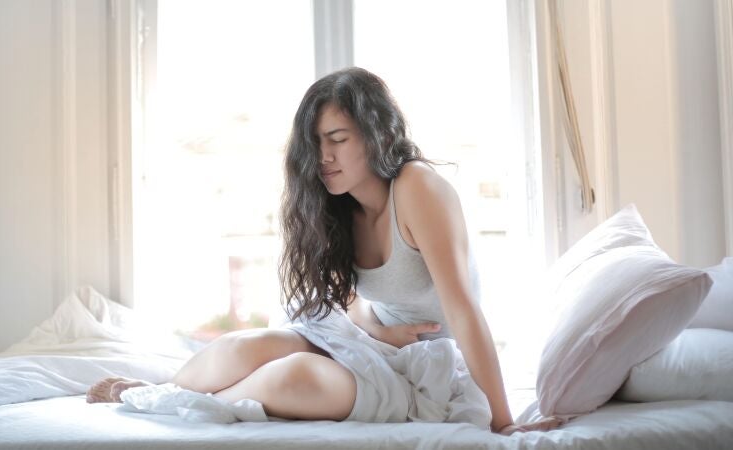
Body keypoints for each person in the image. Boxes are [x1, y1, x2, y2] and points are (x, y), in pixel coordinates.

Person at [86, 67, 561, 435]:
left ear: (379, 135)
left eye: (337, 139)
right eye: (316, 143)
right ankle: (164, 389)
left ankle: (173, 404)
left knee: (296, 376)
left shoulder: (418, 188)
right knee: (248, 345)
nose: (323, 156)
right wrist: (379, 329)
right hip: (373, 345)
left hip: (427, 373)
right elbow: (350, 302)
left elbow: (463, 309)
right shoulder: (340, 206)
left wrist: (503, 421)